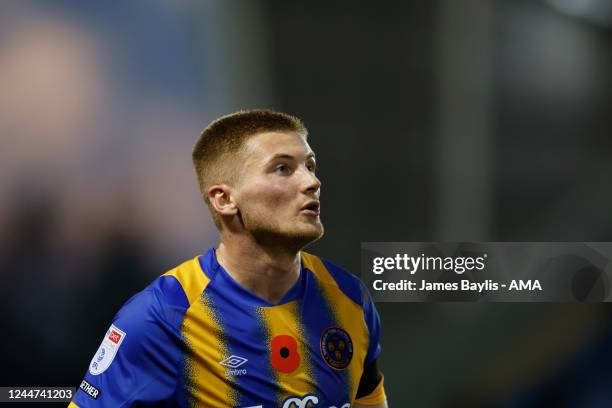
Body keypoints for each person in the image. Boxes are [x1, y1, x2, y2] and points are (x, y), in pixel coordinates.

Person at [69, 109, 388, 408]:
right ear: (224, 199)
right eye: (282, 168)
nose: (311, 182)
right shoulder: (163, 316)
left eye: (310, 166)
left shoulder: (348, 297)